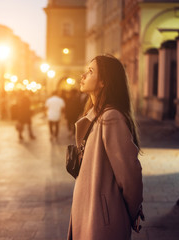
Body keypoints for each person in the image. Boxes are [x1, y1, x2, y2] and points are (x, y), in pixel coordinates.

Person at [67, 55, 144, 240]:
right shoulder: (94, 116)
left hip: (102, 218)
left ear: (103, 82)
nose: (83, 76)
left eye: (91, 71)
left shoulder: (111, 117)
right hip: (89, 211)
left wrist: (133, 212)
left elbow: (129, 174)